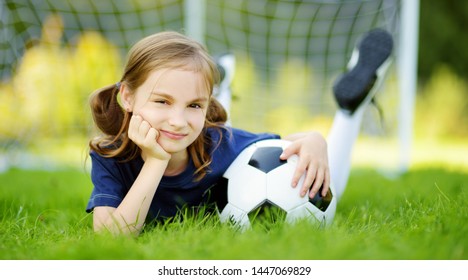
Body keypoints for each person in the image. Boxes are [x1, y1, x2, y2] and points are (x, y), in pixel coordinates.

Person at [86, 29, 393, 236]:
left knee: (324, 181)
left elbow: (285, 147)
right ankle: (223, 82)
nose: (177, 120)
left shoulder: (218, 143)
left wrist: (316, 140)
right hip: (197, 132)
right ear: (127, 97)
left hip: (213, 134)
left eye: (194, 105)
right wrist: (155, 161)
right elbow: (111, 234)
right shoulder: (110, 156)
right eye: (162, 101)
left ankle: (348, 111)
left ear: (206, 107)